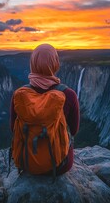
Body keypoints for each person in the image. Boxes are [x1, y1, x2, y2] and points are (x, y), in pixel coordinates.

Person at [10, 44, 79, 176]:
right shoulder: (68, 95)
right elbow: (74, 130)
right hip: (59, 165)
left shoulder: (19, 95)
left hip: (26, 162)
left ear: (33, 63)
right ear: (55, 64)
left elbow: (13, 128)